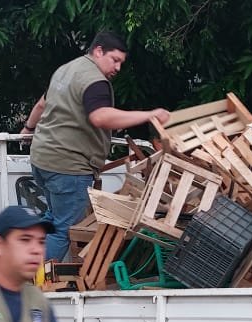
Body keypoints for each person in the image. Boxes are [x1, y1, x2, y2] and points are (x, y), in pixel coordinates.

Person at [20, 31, 171, 261]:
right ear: (98, 51)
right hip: (69, 167)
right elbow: (100, 117)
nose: (118, 68)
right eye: (115, 60)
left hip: (42, 160)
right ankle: (35, 285)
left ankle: (29, 273)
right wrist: (149, 115)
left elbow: (42, 105)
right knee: (64, 231)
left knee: (53, 219)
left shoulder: (66, 70)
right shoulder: (96, 81)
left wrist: (28, 129)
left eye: (121, 62)